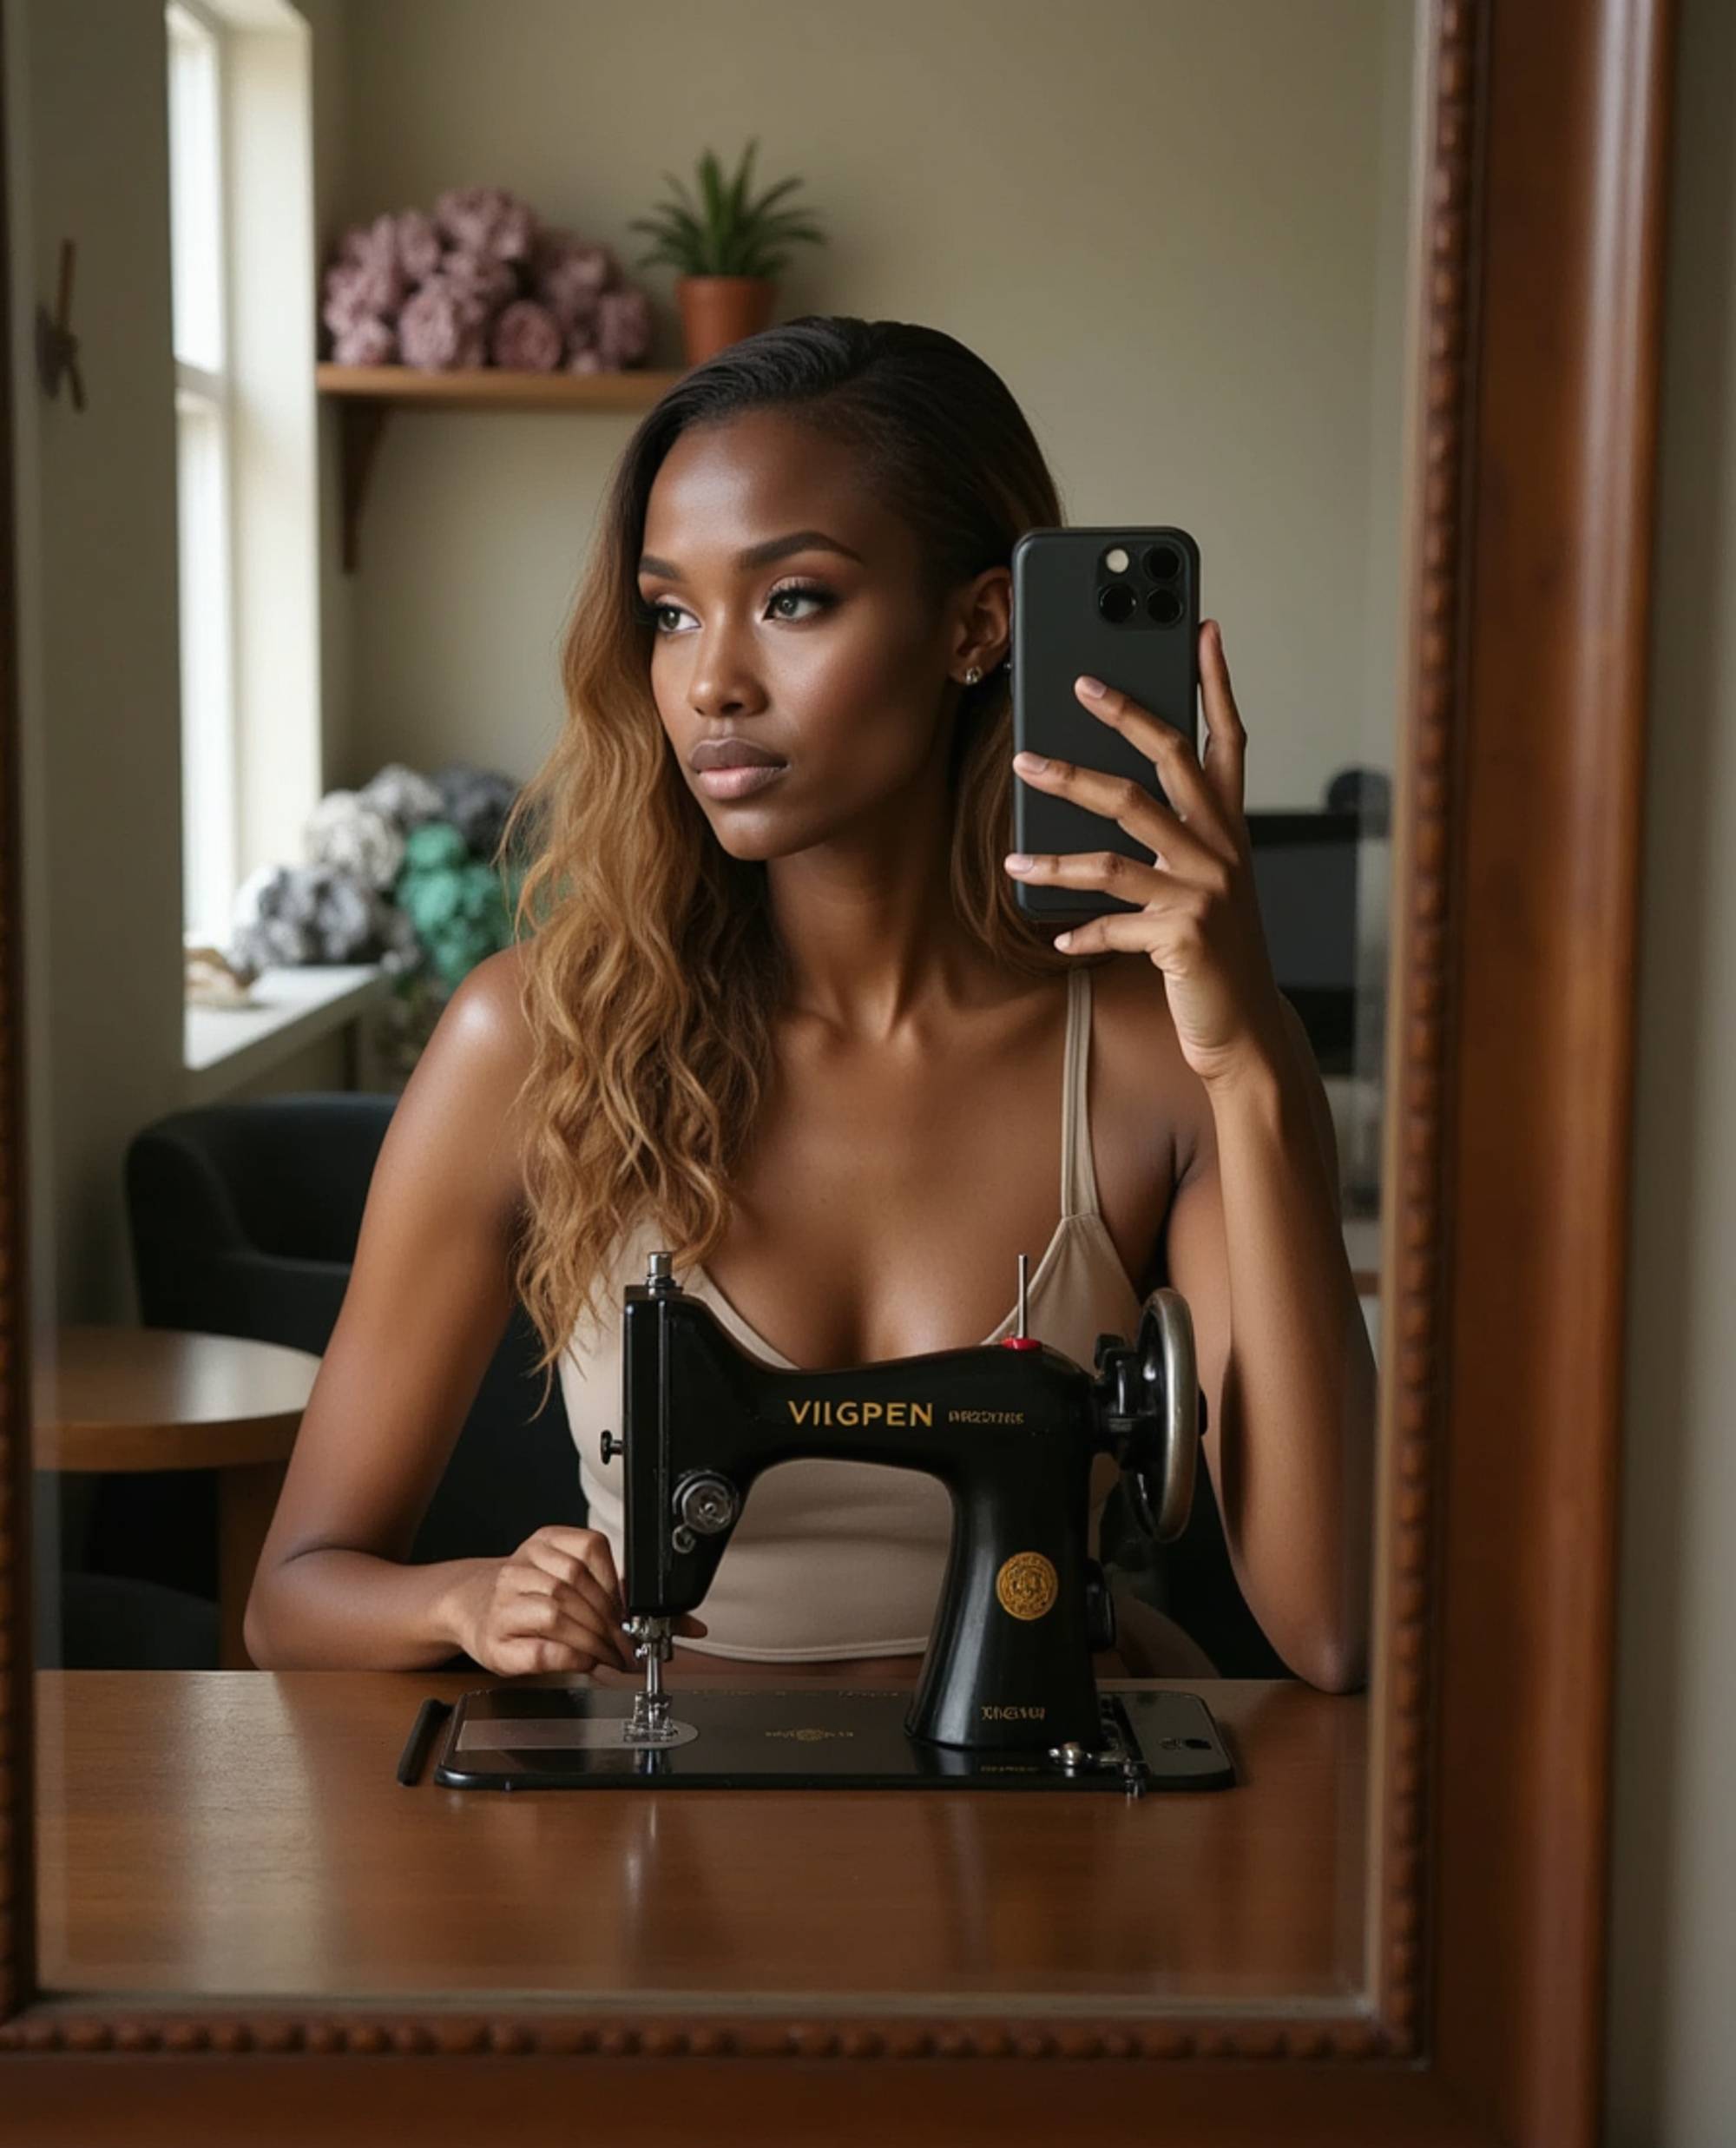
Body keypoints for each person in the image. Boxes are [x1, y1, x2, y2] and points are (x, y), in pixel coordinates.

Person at [244, 316, 1375, 1692]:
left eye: (793, 600)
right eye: (670, 611)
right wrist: (466, 1603)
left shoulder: (1154, 1063)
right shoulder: (535, 1040)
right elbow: (295, 1595)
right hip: (666, 1869)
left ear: (974, 626)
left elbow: (1330, 1629)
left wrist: (1250, 1051)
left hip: (1044, 1857)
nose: (710, 679)